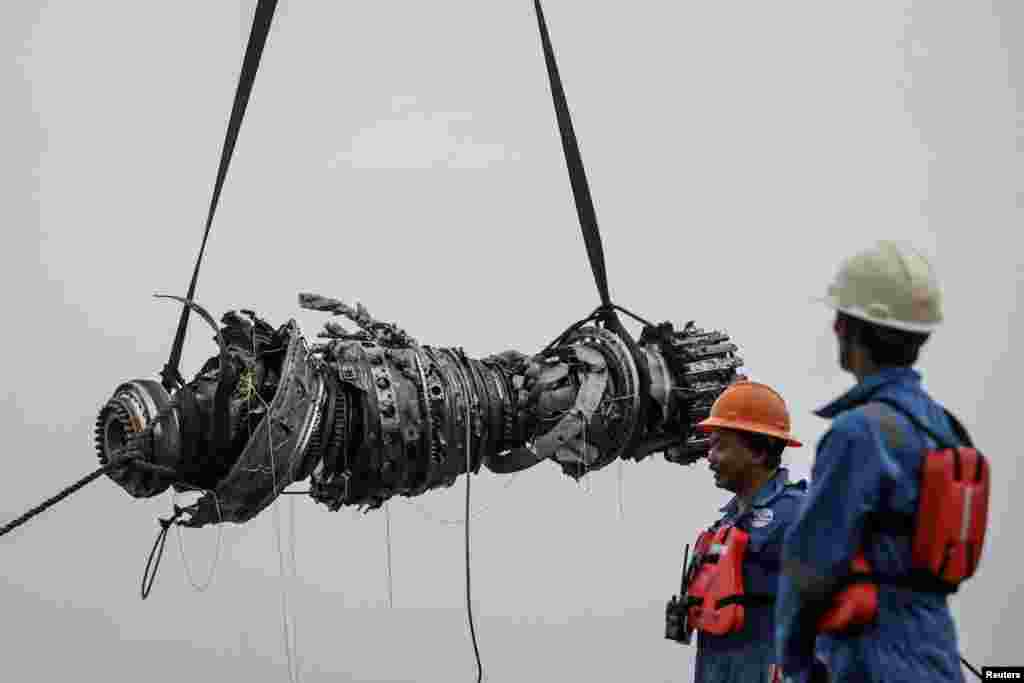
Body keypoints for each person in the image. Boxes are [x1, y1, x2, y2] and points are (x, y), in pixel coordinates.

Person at [776, 240, 979, 683]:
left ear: (850, 329)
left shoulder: (859, 433)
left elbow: (810, 563)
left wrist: (794, 663)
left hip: (868, 657)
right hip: (935, 655)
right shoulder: (944, 428)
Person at [667, 380, 807, 683]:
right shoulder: (723, 526)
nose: (710, 457)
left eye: (720, 445)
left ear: (758, 452)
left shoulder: (796, 515)